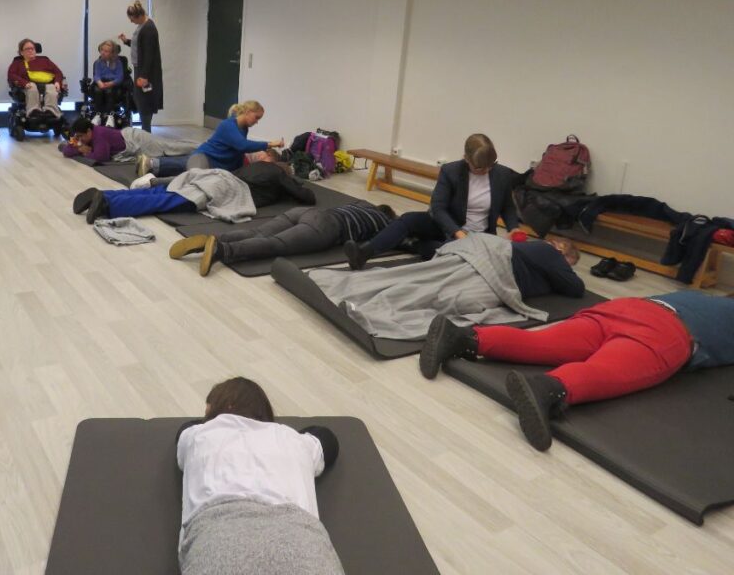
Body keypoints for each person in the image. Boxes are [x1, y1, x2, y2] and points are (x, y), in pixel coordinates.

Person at [418, 291, 734, 451]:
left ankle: (463, 338)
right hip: (665, 332)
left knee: (539, 343)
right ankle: (549, 389)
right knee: (608, 370)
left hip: (623, 307)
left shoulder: (696, 296)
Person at [176, 377, 344, 575]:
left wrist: (211, 421)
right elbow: (327, 439)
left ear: (225, 407)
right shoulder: (293, 439)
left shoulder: (197, 436)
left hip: (218, 539)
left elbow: (184, 429)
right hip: (303, 544)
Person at [304, 234, 583, 341]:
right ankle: (370, 309)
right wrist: (563, 270)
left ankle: (358, 294)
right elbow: (575, 288)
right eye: (571, 263)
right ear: (561, 249)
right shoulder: (549, 253)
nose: (568, 268)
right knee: (445, 295)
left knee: (423, 280)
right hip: (485, 268)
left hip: (476, 257)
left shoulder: (535, 254)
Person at [344, 133, 521, 267]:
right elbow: (438, 207)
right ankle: (363, 254)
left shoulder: (503, 175)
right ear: (466, 159)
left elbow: (507, 207)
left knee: (452, 256)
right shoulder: (451, 171)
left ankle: (412, 244)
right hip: (449, 227)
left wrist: (513, 228)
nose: (487, 170)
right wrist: (457, 232)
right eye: (480, 168)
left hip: (479, 237)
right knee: (408, 219)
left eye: (491, 165)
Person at [73, 155, 315, 226]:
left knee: (164, 192)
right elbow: (308, 198)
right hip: (226, 188)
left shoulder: (257, 166)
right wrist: (295, 183)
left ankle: (106, 194)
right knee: (169, 201)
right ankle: (109, 203)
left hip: (217, 176)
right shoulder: (278, 175)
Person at [172, 200, 394, 277]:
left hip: (307, 212)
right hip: (326, 227)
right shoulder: (384, 222)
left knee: (258, 232)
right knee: (276, 244)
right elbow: (393, 238)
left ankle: (210, 238)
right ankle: (222, 250)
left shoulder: (360, 206)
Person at [142, 100, 285, 178]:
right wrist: (270, 144)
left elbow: (238, 151)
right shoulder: (228, 125)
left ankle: (152, 164)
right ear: (247, 112)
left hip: (215, 164)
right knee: (191, 177)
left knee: (186, 170)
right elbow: (242, 146)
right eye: (256, 117)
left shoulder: (243, 128)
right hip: (205, 158)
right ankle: (151, 167)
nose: (257, 122)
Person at [59, 117, 198, 165]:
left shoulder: (99, 134)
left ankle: (200, 147)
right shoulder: (84, 137)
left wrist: (86, 152)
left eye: (81, 137)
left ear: (89, 131)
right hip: (131, 141)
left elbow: (102, 157)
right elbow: (67, 151)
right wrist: (79, 147)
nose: (79, 140)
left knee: (169, 148)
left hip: (136, 139)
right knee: (168, 147)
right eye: (77, 137)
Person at [118, 0, 162, 132]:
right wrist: (126, 41)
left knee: (144, 101)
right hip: (140, 69)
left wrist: (144, 76)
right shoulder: (142, 26)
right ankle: (145, 131)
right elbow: (139, 46)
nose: (131, 21)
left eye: (132, 18)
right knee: (140, 100)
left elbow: (149, 54)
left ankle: (146, 132)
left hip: (145, 72)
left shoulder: (149, 28)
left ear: (139, 15)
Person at [7, 38, 66, 119]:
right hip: (28, 85)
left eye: (32, 48)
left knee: (51, 88)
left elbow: (58, 72)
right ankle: (33, 111)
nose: (30, 50)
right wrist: (24, 83)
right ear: (21, 52)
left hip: (48, 84)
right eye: (27, 49)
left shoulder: (45, 61)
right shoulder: (17, 63)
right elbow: (11, 75)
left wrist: (57, 82)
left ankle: (51, 111)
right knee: (32, 87)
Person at [90, 39, 126, 125]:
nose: (103, 53)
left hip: (113, 83)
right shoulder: (98, 62)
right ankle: (98, 115)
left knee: (109, 91)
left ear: (112, 53)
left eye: (106, 51)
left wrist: (111, 83)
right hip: (101, 82)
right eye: (102, 50)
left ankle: (110, 116)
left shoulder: (118, 63)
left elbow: (119, 77)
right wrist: (99, 83)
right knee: (97, 91)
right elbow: (96, 75)